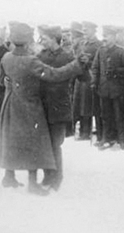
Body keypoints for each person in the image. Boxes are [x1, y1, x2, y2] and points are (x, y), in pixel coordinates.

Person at [0, 23, 86, 195]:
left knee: (11, 140)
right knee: (34, 143)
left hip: (10, 104)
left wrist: (11, 82)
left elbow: (1, 80)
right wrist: (75, 65)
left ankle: (9, 176)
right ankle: (32, 183)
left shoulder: (6, 57)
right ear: (28, 41)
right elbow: (54, 75)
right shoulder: (31, 60)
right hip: (29, 105)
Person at [37, 26, 75, 190]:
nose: (42, 41)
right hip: (43, 107)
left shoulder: (67, 57)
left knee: (55, 144)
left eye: (44, 38)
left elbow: (81, 77)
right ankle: (47, 177)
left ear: (54, 39)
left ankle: (57, 178)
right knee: (44, 144)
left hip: (59, 107)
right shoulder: (41, 56)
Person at [91, 26, 124, 150]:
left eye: (107, 36)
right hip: (103, 89)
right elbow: (95, 68)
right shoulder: (100, 51)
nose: (105, 38)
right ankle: (106, 138)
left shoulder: (122, 52)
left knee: (120, 116)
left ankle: (122, 141)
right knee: (105, 116)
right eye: (104, 36)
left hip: (118, 90)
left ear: (114, 37)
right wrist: (94, 82)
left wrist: (116, 71)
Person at [72, 21, 102, 140]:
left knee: (87, 107)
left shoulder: (98, 44)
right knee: (78, 105)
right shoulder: (82, 43)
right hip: (80, 78)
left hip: (89, 78)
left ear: (93, 30)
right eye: (84, 30)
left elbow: (99, 62)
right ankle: (81, 130)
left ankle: (85, 132)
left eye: (87, 30)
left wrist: (88, 61)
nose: (85, 32)